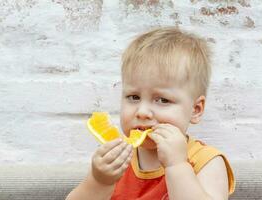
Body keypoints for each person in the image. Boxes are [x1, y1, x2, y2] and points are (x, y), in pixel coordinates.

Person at [66, 27, 235, 200]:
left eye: (162, 100)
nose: (143, 112)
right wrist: (99, 181)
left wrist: (177, 166)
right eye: (134, 97)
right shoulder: (119, 160)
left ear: (196, 110)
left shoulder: (205, 161)